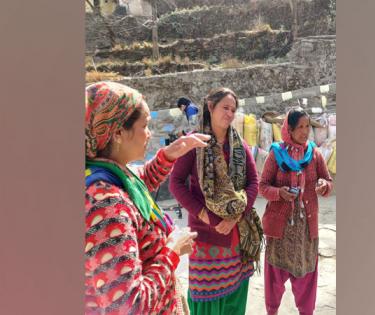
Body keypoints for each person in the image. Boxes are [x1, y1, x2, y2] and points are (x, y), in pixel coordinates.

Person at [84, 81, 211, 315]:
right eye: (145, 125)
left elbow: (136, 186)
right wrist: (171, 252)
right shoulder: (106, 205)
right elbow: (127, 307)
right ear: (119, 133)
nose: (149, 133)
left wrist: (168, 155)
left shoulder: (107, 173)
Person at [169, 87, 262, 315]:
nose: (229, 114)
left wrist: (235, 217)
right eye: (225, 108)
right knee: (206, 299)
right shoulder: (194, 143)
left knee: (235, 297)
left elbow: (253, 183)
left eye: (233, 109)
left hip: (237, 235)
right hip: (205, 239)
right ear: (210, 106)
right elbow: (176, 184)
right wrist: (208, 216)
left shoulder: (239, 146)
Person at [259, 108, 333, 315]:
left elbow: (328, 181)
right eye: (299, 127)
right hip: (280, 229)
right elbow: (262, 186)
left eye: (307, 126)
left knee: (306, 273)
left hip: (306, 231)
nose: (304, 131)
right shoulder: (276, 154)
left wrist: (322, 185)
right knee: (275, 273)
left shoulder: (314, 154)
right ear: (288, 130)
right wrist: (279, 193)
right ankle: (272, 310)